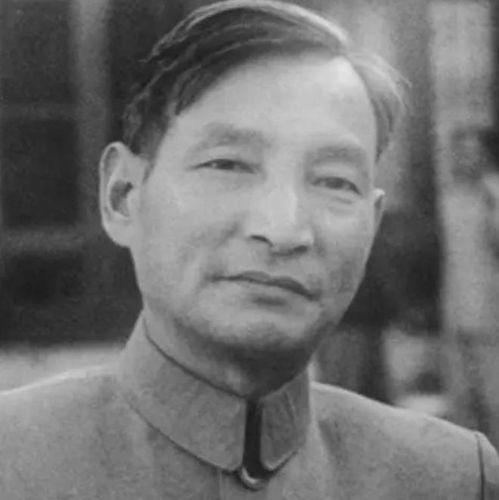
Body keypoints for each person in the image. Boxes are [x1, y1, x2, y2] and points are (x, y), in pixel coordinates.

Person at [0, 1, 498, 498]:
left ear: (372, 224)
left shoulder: (451, 479)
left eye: (334, 181)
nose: (284, 230)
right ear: (123, 196)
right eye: (228, 165)